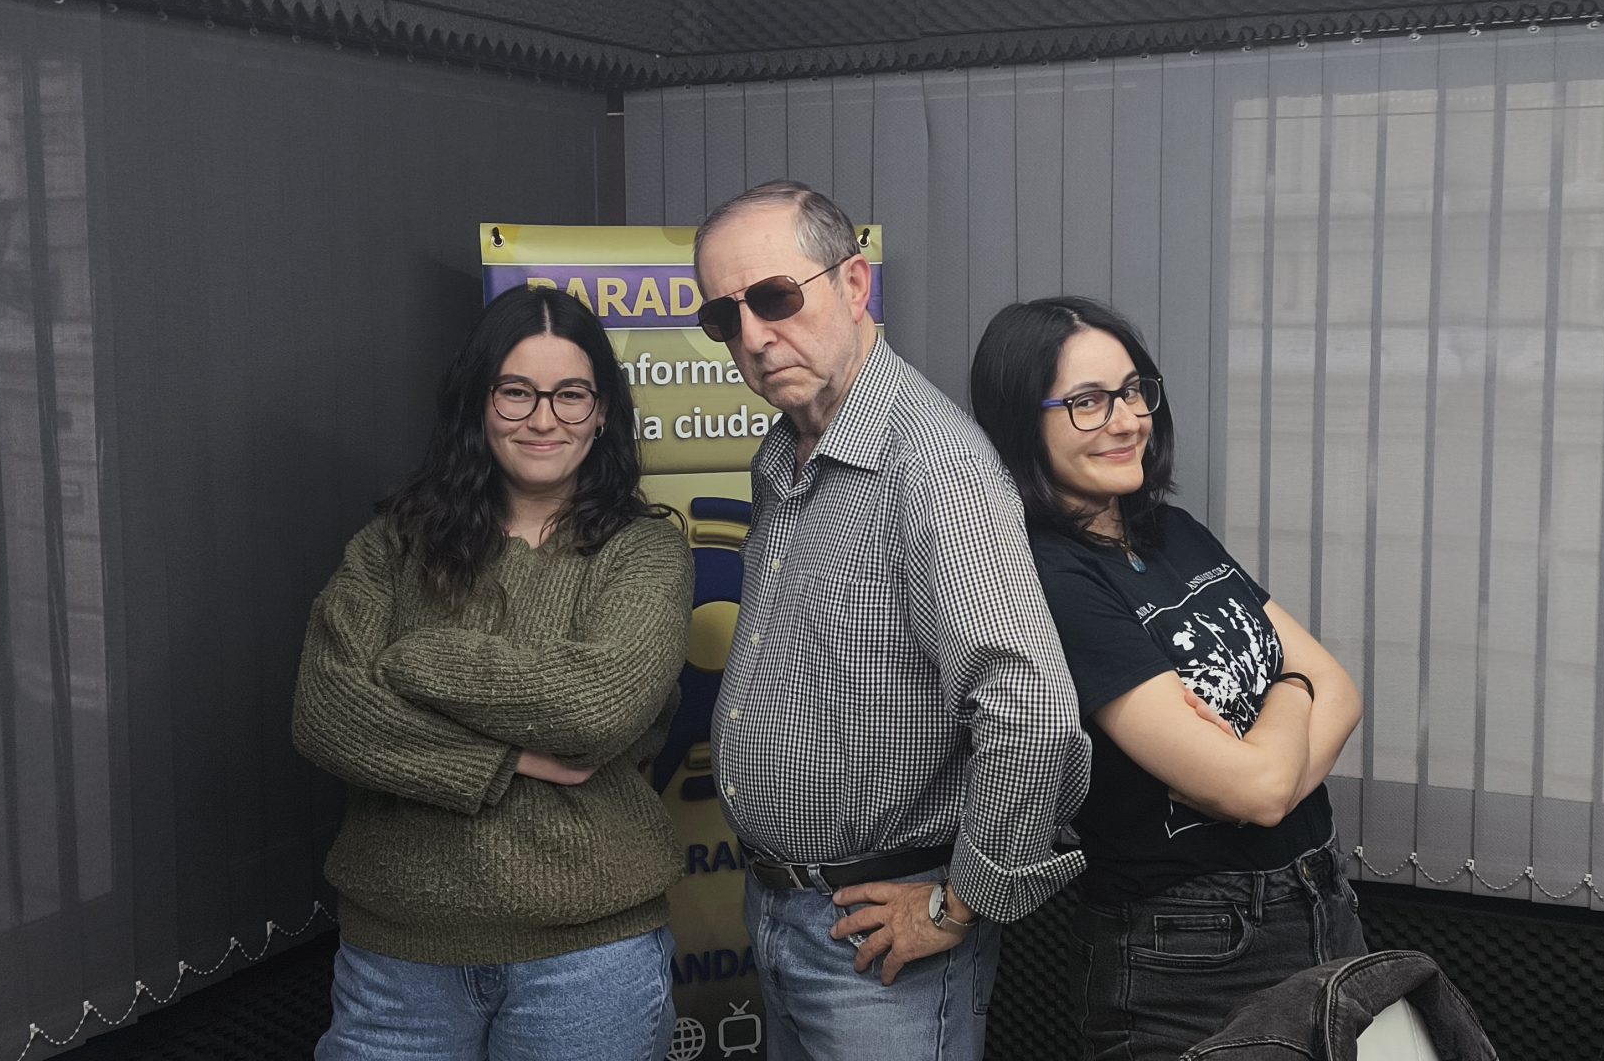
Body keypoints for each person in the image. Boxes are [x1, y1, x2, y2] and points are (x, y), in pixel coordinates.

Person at [694, 179, 1092, 1060]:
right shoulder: (787, 452)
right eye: (724, 317)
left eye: (774, 297)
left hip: (879, 941)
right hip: (780, 910)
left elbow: (1032, 715)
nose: (753, 337)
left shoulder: (933, 463)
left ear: (854, 283)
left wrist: (959, 904)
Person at [292, 287, 693, 1061]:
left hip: (586, 964)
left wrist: (415, 657)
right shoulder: (394, 542)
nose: (543, 419)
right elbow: (326, 713)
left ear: (601, 412)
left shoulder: (644, 552)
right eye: (516, 392)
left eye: (570, 394)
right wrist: (508, 759)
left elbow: (593, 709)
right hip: (397, 964)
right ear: (478, 402)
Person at [967, 296, 1367, 1060]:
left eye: (1132, 390)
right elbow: (1259, 786)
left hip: (1322, 900)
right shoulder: (1050, 578)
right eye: (1087, 401)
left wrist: (1269, 755)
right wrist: (1290, 696)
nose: (1126, 420)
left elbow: (1340, 690)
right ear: (1022, 423)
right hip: (1193, 949)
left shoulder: (1174, 533)